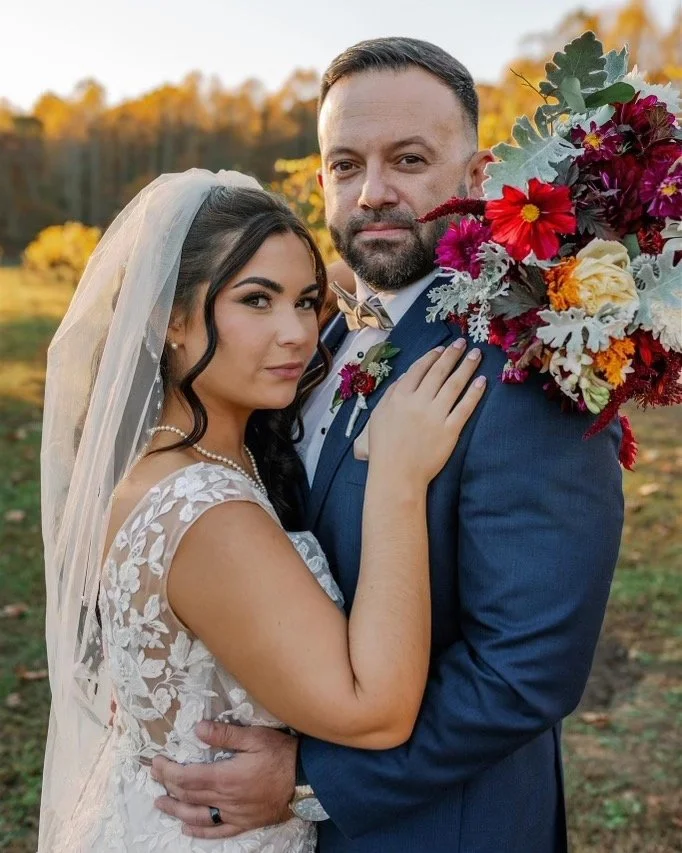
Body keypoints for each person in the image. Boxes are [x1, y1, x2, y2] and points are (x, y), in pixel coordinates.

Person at [152, 39, 625, 853]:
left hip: (441, 827)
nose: (373, 193)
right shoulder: (303, 340)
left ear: (476, 181)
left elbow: (528, 668)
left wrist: (309, 780)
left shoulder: (527, 366)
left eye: (408, 159)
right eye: (345, 165)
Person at [38, 168, 485, 852]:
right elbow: (376, 712)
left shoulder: (185, 456)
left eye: (307, 302)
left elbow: (312, 286)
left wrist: (436, 237)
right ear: (169, 319)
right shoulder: (206, 512)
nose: (299, 333)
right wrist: (398, 475)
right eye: (257, 300)